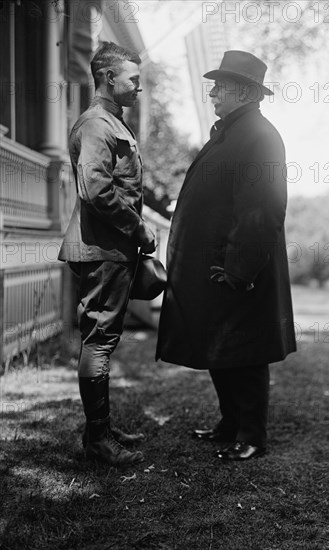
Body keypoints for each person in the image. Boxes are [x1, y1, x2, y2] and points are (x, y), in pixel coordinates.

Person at [156, 50, 297, 461]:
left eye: (220, 86)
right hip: (215, 265)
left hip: (239, 267)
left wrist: (239, 269)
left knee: (246, 352)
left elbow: (263, 208)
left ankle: (252, 435)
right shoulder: (231, 131)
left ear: (245, 92)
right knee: (219, 346)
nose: (213, 92)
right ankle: (230, 423)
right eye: (213, 85)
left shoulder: (260, 135)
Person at [58, 42, 156, 467]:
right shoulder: (97, 125)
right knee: (99, 342)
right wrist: (138, 228)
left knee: (104, 340)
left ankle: (100, 429)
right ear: (108, 79)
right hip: (102, 248)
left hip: (110, 247)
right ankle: (98, 440)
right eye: (132, 80)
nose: (138, 87)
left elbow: (118, 186)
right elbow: (96, 190)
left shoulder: (111, 121)